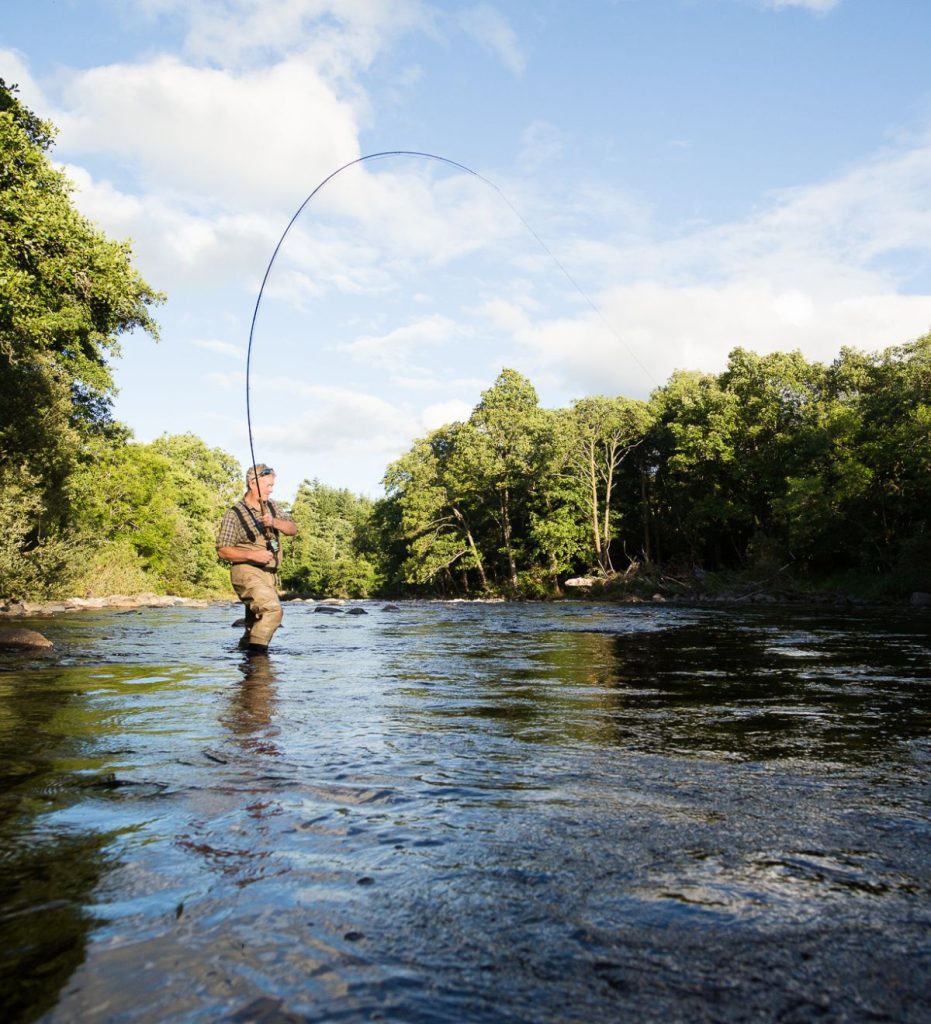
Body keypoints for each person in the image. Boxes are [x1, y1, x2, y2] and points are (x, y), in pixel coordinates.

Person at [216, 463, 297, 653]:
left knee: (253, 627)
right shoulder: (234, 514)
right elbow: (222, 550)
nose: (271, 489)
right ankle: (258, 659)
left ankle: (248, 667)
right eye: (268, 485)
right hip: (246, 572)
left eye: (272, 485)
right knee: (272, 610)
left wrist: (274, 522)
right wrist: (253, 554)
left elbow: (293, 529)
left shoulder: (272, 507)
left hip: (268, 575)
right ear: (253, 484)